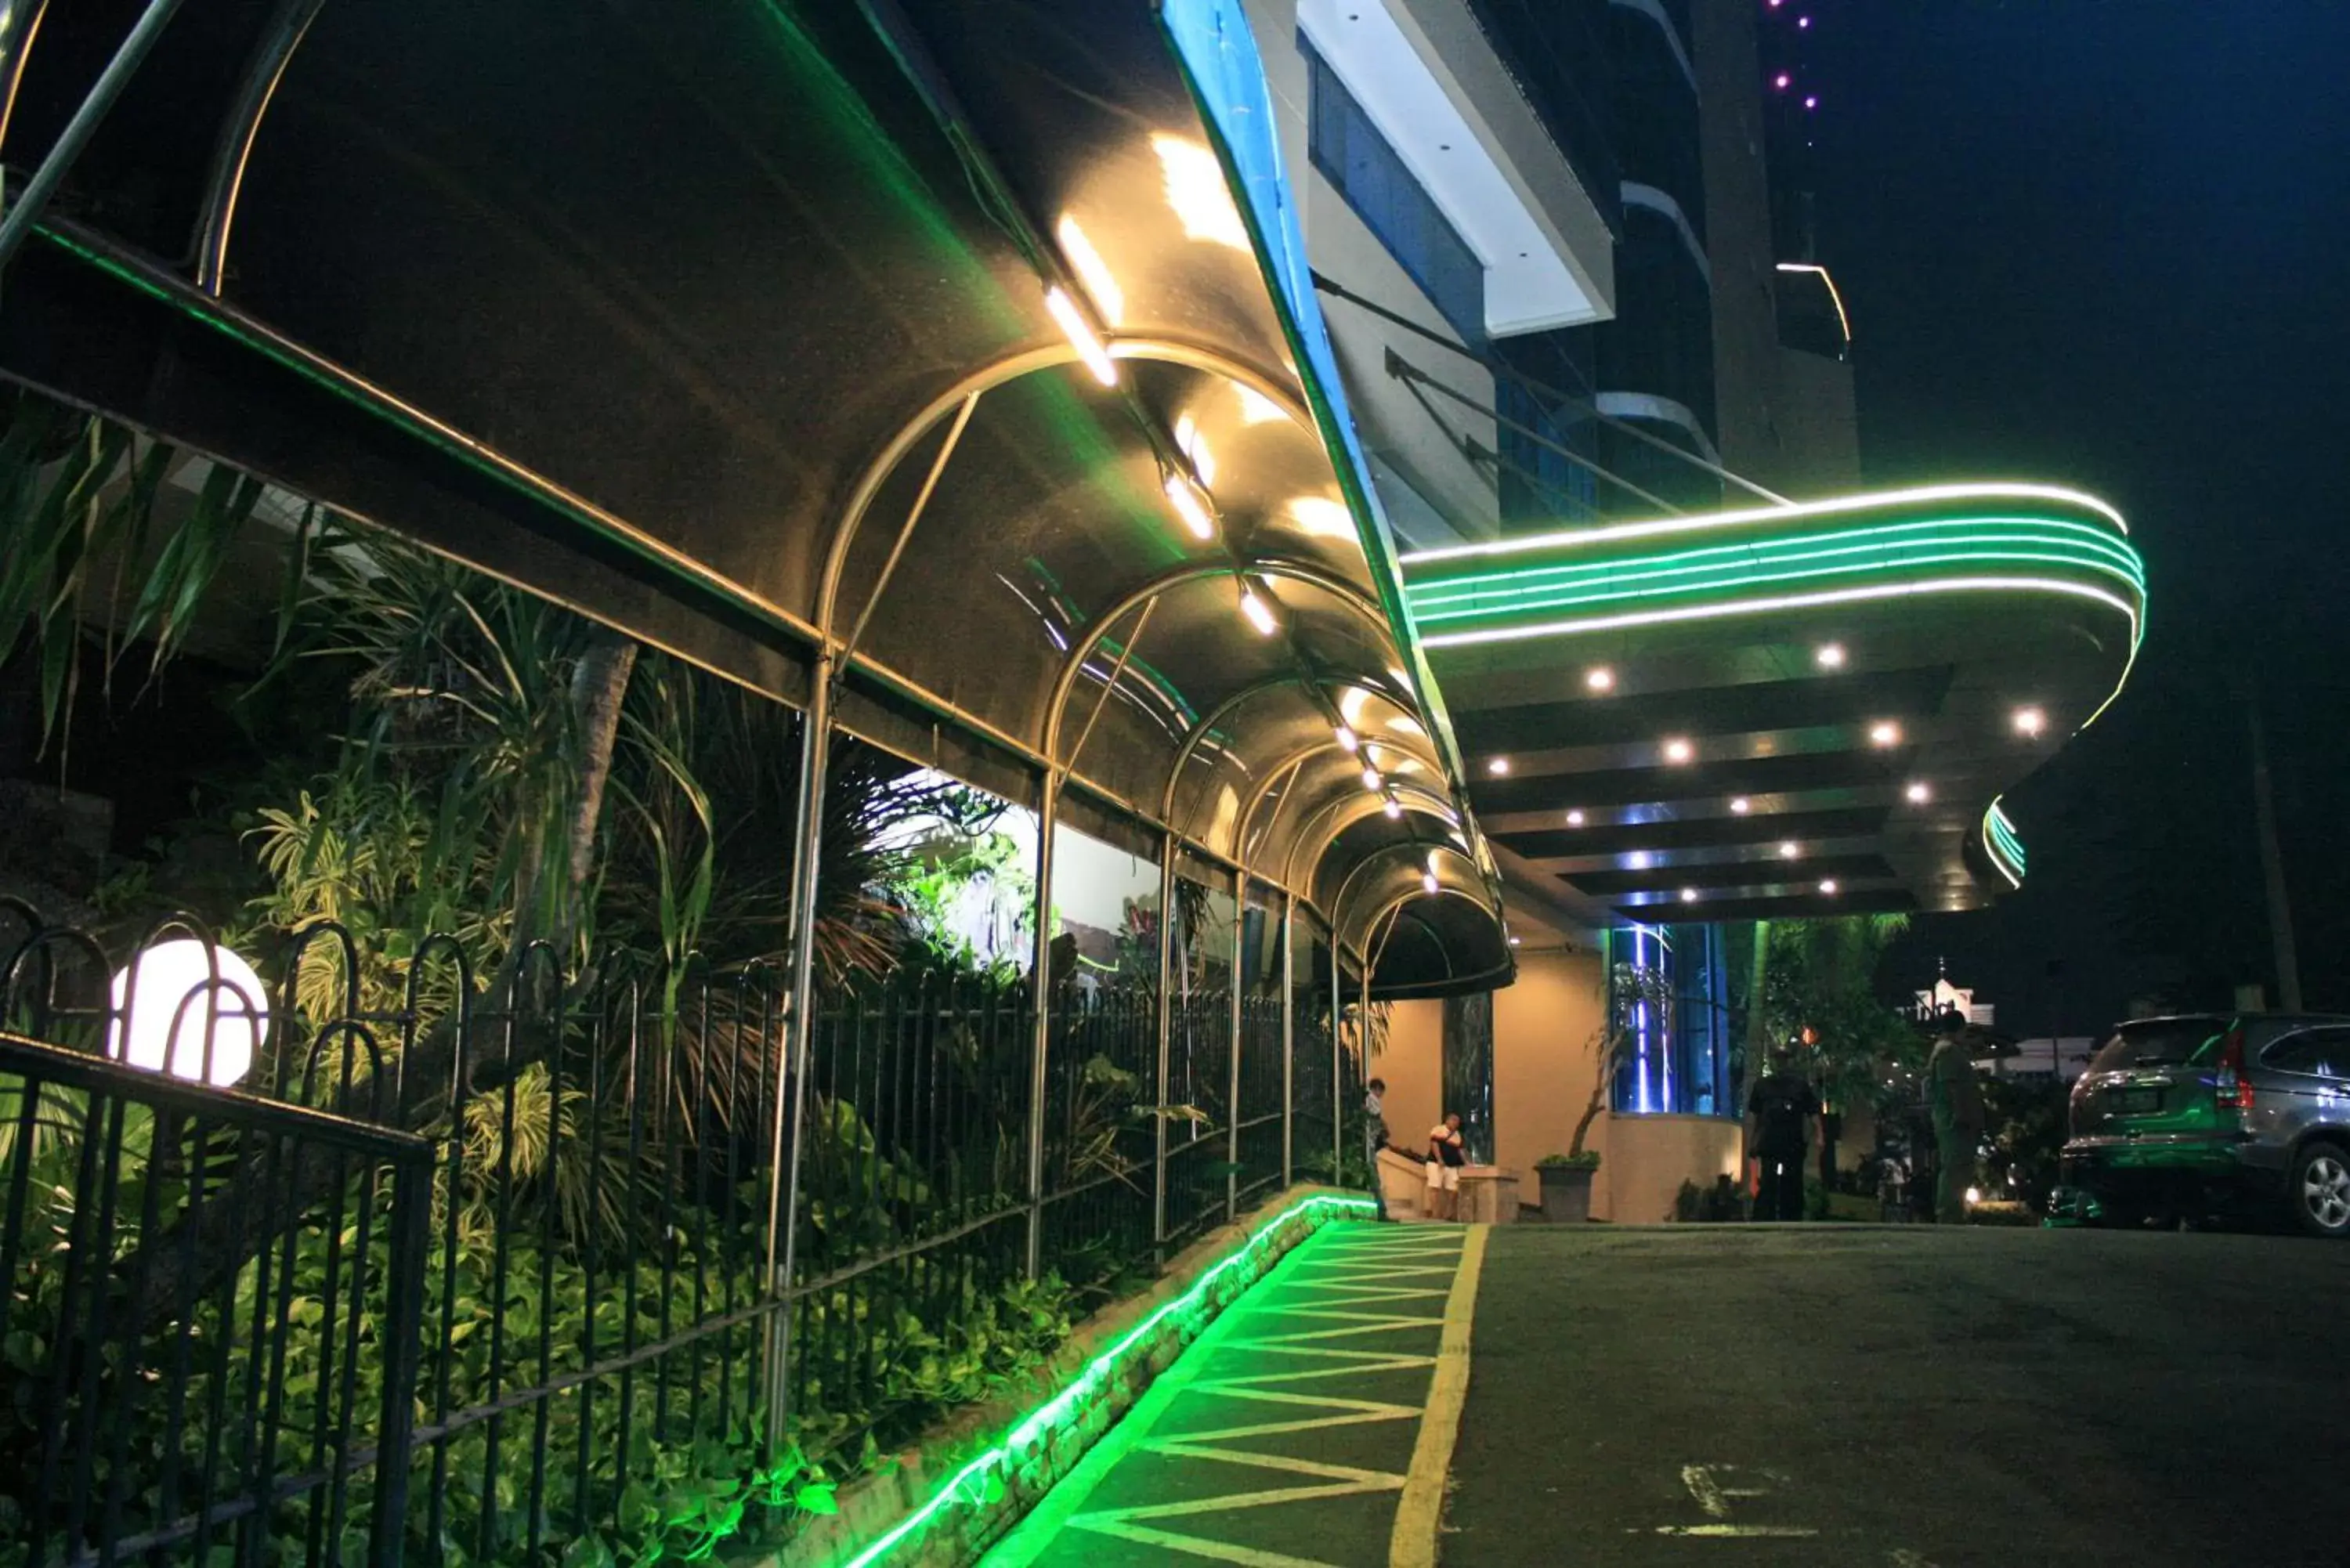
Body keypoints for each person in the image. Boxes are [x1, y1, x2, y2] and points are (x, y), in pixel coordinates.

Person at [1745, 1042, 1820, 1221]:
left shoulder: (1799, 1085)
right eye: (1777, 1059)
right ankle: (1765, 1218)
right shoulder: (1762, 1085)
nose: (1780, 1063)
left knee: (1792, 1183)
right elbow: (1754, 1116)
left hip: (1793, 1142)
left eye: (1784, 1059)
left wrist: (1818, 1136)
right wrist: (1752, 1142)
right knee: (1768, 1182)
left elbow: (1813, 1113)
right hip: (1769, 1141)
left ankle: (1792, 1218)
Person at [1925, 1007, 1986, 1223]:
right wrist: (1961, 1114)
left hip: (1952, 1119)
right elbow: (1951, 1086)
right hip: (1955, 1121)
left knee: (1958, 1168)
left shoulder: (1945, 1051)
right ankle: (1948, 1213)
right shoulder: (1948, 1052)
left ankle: (1952, 1212)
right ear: (1961, 1028)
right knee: (1954, 1168)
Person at [1424, 1112, 1466, 1221]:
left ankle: (1449, 1213)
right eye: (1453, 1120)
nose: (1455, 1123)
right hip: (1435, 1164)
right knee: (1435, 1187)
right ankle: (1435, 1213)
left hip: (1451, 1166)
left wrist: (1467, 1162)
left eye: (1457, 1121)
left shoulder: (1457, 1135)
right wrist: (1439, 1159)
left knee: (1453, 1190)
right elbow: (1434, 1144)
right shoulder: (1438, 1130)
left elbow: (1460, 1150)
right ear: (1447, 1121)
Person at [1363, 1077, 1390, 1219]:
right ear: (1377, 1089)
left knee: (1374, 1176)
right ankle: (1381, 1211)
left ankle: (1381, 1210)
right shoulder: (1372, 1099)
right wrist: (1383, 1126)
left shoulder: (1369, 1099)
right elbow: (1375, 1116)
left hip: (1370, 1143)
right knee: (1374, 1178)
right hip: (1369, 1143)